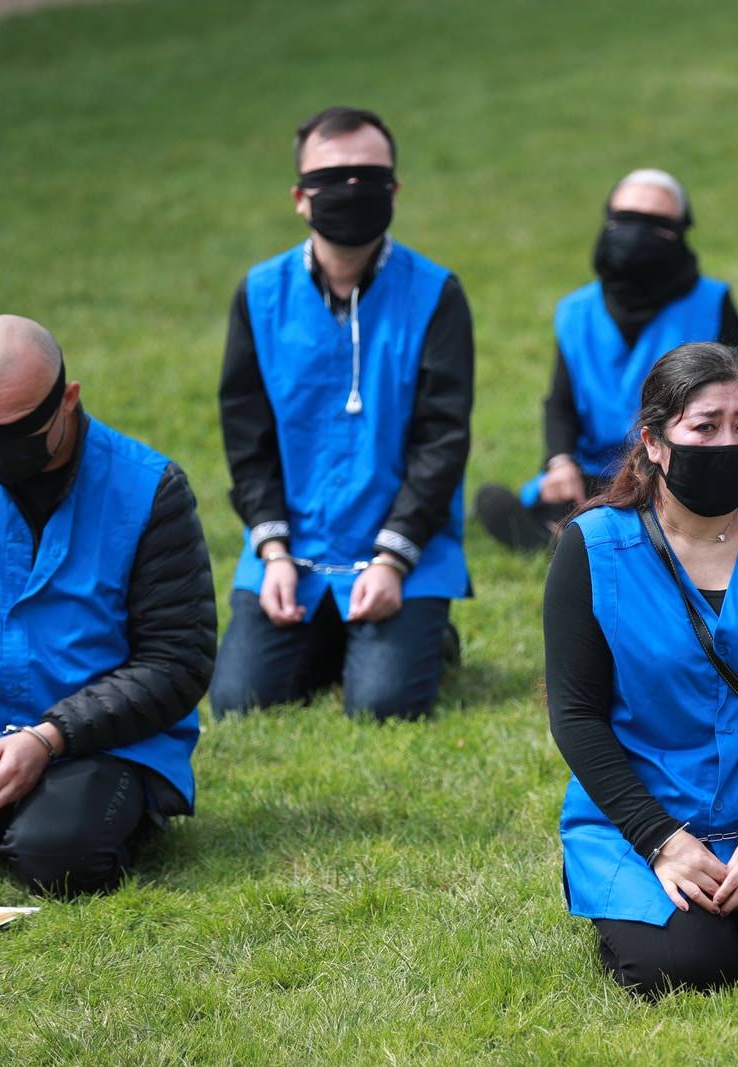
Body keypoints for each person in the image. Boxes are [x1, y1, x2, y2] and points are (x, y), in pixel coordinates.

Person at [545, 343, 738, 996]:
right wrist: (659, 838)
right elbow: (576, 715)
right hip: (643, 820)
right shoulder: (591, 549)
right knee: (681, 967)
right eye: (705, 425)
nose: (729, 442)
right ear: (655, 441)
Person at [0, 316, 214, 895]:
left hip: (99, 743)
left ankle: (40, 820)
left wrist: (48, 738)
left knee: (59, 858)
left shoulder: (150, 488)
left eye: (19, 434)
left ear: (67, 400)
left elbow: (177, 661)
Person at [211, 106, 473, 721]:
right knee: (239, 703)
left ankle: (425, 632)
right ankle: (338, 628)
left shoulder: (437, 293)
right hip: (294, 550)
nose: (352, 190)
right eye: (333, 178)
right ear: (301, 198)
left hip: (401, 551)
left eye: (370, 176)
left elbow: (442, 440)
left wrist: (391, 560)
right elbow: (246, 438)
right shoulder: (258, 293)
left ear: (396, 190)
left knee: (381, 706)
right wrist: (272, 551)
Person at [474, 170, 738, 552]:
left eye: (655, 225)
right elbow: (561, 402)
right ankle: (586, 535)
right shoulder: (576, 311)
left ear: (681, 232)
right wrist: (560, 462)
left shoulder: (712, 304)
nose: (636, 235)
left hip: (677, 465)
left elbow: (733, 404)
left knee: (676, 502)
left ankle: (574, 539)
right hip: (593, 469)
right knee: (528, 496)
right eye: (625, 220)